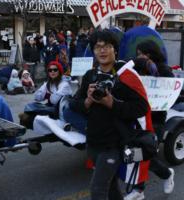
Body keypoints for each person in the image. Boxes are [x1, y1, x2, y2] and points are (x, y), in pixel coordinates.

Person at [70, 30, 149, 200]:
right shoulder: (90, 75)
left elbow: (142, 108)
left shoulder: (126, 76)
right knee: (111, 188)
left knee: (98, 190)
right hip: (93, 143)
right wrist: (87, 102)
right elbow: (73, 104)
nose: (102, 50)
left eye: (107, 46)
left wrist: (113, 104)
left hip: (114, 145)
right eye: (98, 47)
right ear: (93, 51)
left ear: (115, 50)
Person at [124, 40, 175, 200]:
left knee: (146, 155)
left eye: (142, 54)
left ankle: (167, 174)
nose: (139, 57)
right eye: (137, 54)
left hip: (156, 121)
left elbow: (168, 92)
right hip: (138, 119)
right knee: (132, 155)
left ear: (150, 54)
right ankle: (138, 190)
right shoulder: (136, 69)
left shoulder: (164, 70)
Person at [19, 61, 72, 129]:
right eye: (50, 70)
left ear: (59, 71)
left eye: (55, 70)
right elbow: (37, 97)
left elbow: (54, 101)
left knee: (30, 115)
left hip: (59, 111)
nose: (52, 72)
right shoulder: (48, 83)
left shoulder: (64, 84)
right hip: (51, 107)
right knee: (30, 106)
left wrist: (47, 94)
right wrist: (45, 93)